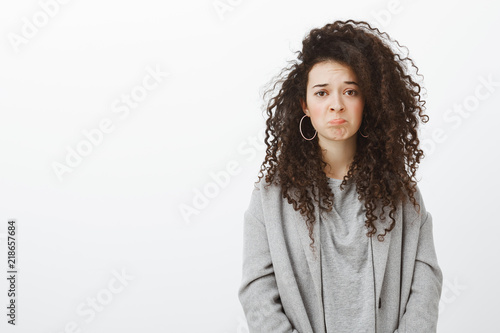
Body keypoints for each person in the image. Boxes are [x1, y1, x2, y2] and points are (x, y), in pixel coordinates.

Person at [237, 20, 443, 333]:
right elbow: (257, 290)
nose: (336, 105)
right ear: (305, 105)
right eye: (322, 93)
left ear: (368, 101)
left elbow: (425, 282)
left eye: (350, 91)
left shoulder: (401, 192)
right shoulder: (270, 195)